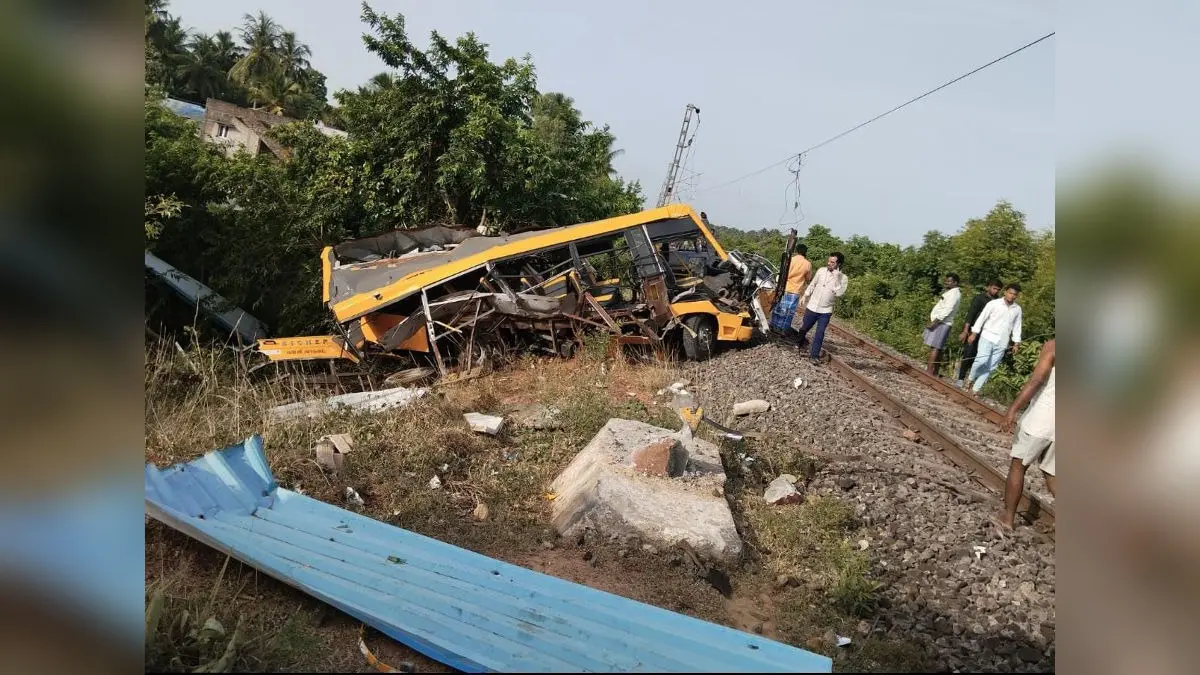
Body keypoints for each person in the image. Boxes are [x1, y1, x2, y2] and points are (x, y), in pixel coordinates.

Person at [992, 338, 1055, 533]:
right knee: (1053, 473)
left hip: (1040, 420)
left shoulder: (1054, 346)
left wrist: (1013, 409)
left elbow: (1036, 381)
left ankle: (1008, 518)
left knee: (1018, 466)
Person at [966, 282, 1023, 393]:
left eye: (1014, 294)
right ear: (1005, 292)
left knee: (990, 366)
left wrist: (1016, 342)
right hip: (987, 336)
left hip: (1003, 341)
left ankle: (975, 389)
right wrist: (974, 333)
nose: (1012, 296)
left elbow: (1017, 326)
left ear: (1017, 296)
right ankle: (970, 378)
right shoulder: (994, 304)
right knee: (981, 360)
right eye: (1010, 293)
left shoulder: (1017, 309)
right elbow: (982, 318)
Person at [796, 252, 848, 364]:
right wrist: (805, 295)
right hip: (812, 306)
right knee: (804, 328)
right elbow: (813, 284)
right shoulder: (821, 271)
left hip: (825, 310)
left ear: (839, 264)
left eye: (832, 262)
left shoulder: (843, 278)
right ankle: (798, 345)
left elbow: (839, 293)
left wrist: (837, 278)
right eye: (829, 261)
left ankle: (814, 355)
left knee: (820, 333)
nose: (829, 263)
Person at [954, 279, 1002, 388]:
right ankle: (960, 378)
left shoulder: (998, 302)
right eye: (994, 288)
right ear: (988, 287)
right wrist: (965, 331)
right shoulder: (979, 298)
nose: (995, 291)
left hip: (988, 333)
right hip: (974, 330)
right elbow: (970, 315)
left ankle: (970, 380)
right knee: (968, 353)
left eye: (998, 290)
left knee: (980, 357)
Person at [768, 244, 813, 334]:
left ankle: (773, 326)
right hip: (795, 291)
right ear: (805, 252)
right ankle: (783, 330)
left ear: (796, 251)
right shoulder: (808, 264)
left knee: (778, 308)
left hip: (784, 288)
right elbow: (808, 279)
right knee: (789, 312)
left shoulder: (791, 260)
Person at [923, 273, 962, 376]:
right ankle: (933, 372)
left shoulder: (954, 294)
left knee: (935, 347)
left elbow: (947, 310)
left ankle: (929, 372)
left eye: (949, 281)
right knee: (937, 347)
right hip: (941, 322)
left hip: (942, 323)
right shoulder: (951, 292)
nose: (946, 282)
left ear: (955, 283)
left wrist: (934, 322)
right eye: (946, 280)